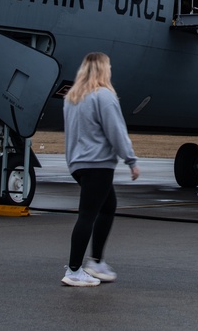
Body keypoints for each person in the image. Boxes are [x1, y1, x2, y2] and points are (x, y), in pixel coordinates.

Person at [61, 52, 140, 287]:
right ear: (103, 70)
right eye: (110, 67)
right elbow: (116, 130)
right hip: (98, 164)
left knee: (107, 206)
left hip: (78, 163)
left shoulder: (72, 97)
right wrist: (131, 160)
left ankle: (96, 261)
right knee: (88, 214)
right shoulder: (104, 96)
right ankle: (75, 269)